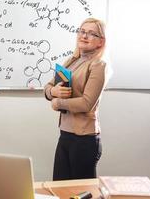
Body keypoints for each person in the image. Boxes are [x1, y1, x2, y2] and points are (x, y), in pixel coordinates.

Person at [44, 18, 109, 180]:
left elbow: (87, 103)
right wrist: (53, 91)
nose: (84, 36)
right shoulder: (71, 61)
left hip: (84, 138)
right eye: (82, 31)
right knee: (60, 187)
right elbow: (47, 88)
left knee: (81, 192)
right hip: (65, 133)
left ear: (101, 42)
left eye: (91, 33)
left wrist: (58, 102)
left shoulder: (99, 65)